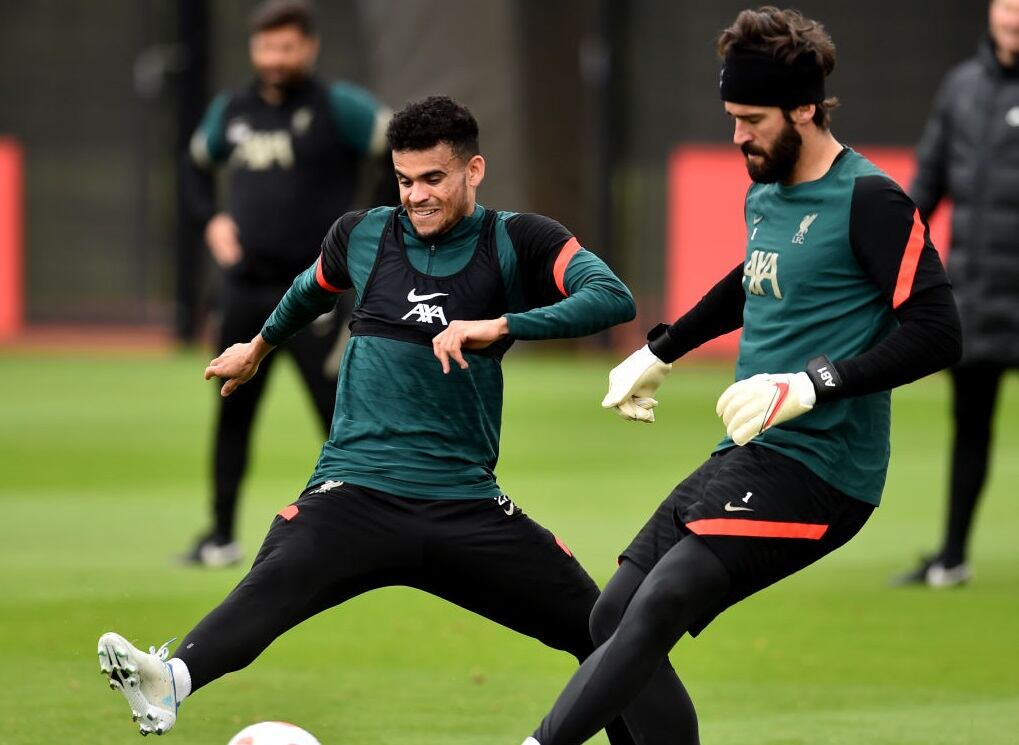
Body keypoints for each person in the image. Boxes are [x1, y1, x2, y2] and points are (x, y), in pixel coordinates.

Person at [97, 96, 638, 743]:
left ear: (474, 170)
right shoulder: (361, 233)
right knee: (269, 586)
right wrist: (258, 346)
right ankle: (170, 681)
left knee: (610, 636)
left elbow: (610, 296)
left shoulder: (517, 240)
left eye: (433, 179)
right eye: (405, 180)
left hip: (464, 504)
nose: (416, 195)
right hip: (354, 494)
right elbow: (308, 289)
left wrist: (501, 323)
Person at [518, 8, 962, 745]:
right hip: (752, 453)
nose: (736, 136)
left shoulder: (871, 200)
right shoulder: (766, 188)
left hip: (825, 467)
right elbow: (748, 280)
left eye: (750, 119)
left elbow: (939, 332)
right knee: (610, 616)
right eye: (731, 116)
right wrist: (660, 349)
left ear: (805, 110)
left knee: (660, 602)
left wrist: (811, 383)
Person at [180, 0, 396, 567]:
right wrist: (213, 219)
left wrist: (367, 231)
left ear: (309, 46)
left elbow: (397, 148)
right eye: (265, 47)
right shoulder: (232, 110)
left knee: (339, 416)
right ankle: (220, 535)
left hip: (316, 292)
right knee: (232, 410)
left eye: (286, 46)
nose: (274, 58)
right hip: (245, 289)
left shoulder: (339, 107)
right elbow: (196, 164)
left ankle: (366, 532)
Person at [892, 0, 1019, 589]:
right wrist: (887, 255)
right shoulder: (963, 87)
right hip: (978, 295)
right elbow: (927, 183)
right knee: (970, 426)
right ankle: (952, 556)